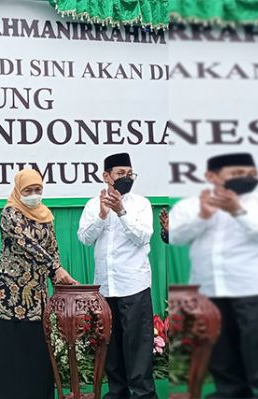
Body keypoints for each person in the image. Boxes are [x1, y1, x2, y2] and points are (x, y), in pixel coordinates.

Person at [170, 152, 258, 398]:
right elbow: (175, 237)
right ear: (211, 176)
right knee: (223, 362)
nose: (246, 178)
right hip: (210, 292)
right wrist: (202, 217)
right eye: (237, 173)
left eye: (251, 174)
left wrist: (238, 212)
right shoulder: (189, 206)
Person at [0, 168, 77, 399]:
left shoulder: (46, 215)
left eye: (38, 189)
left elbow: (52, 249)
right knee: (9, 340)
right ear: (19, 190)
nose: (33, 194)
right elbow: (26, 243)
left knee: (35, 341)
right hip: (11, 290)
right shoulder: (10, 213)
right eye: (28, 190)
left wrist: (59, 279)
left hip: (36, 290)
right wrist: (55, 268)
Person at [77, 152, 156, 399]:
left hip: (133, 284)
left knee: (138, 345)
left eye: (129, 174)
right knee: (110, 345)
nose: (126, 178)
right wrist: (102, 215)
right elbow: (85, 239)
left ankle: (143, 394)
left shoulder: (141, 204)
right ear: (106, 176)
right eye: (120, 173)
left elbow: (143, 237)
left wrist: (121, 211)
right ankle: (117, 393)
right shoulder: (93, 205)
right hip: (106, 286)